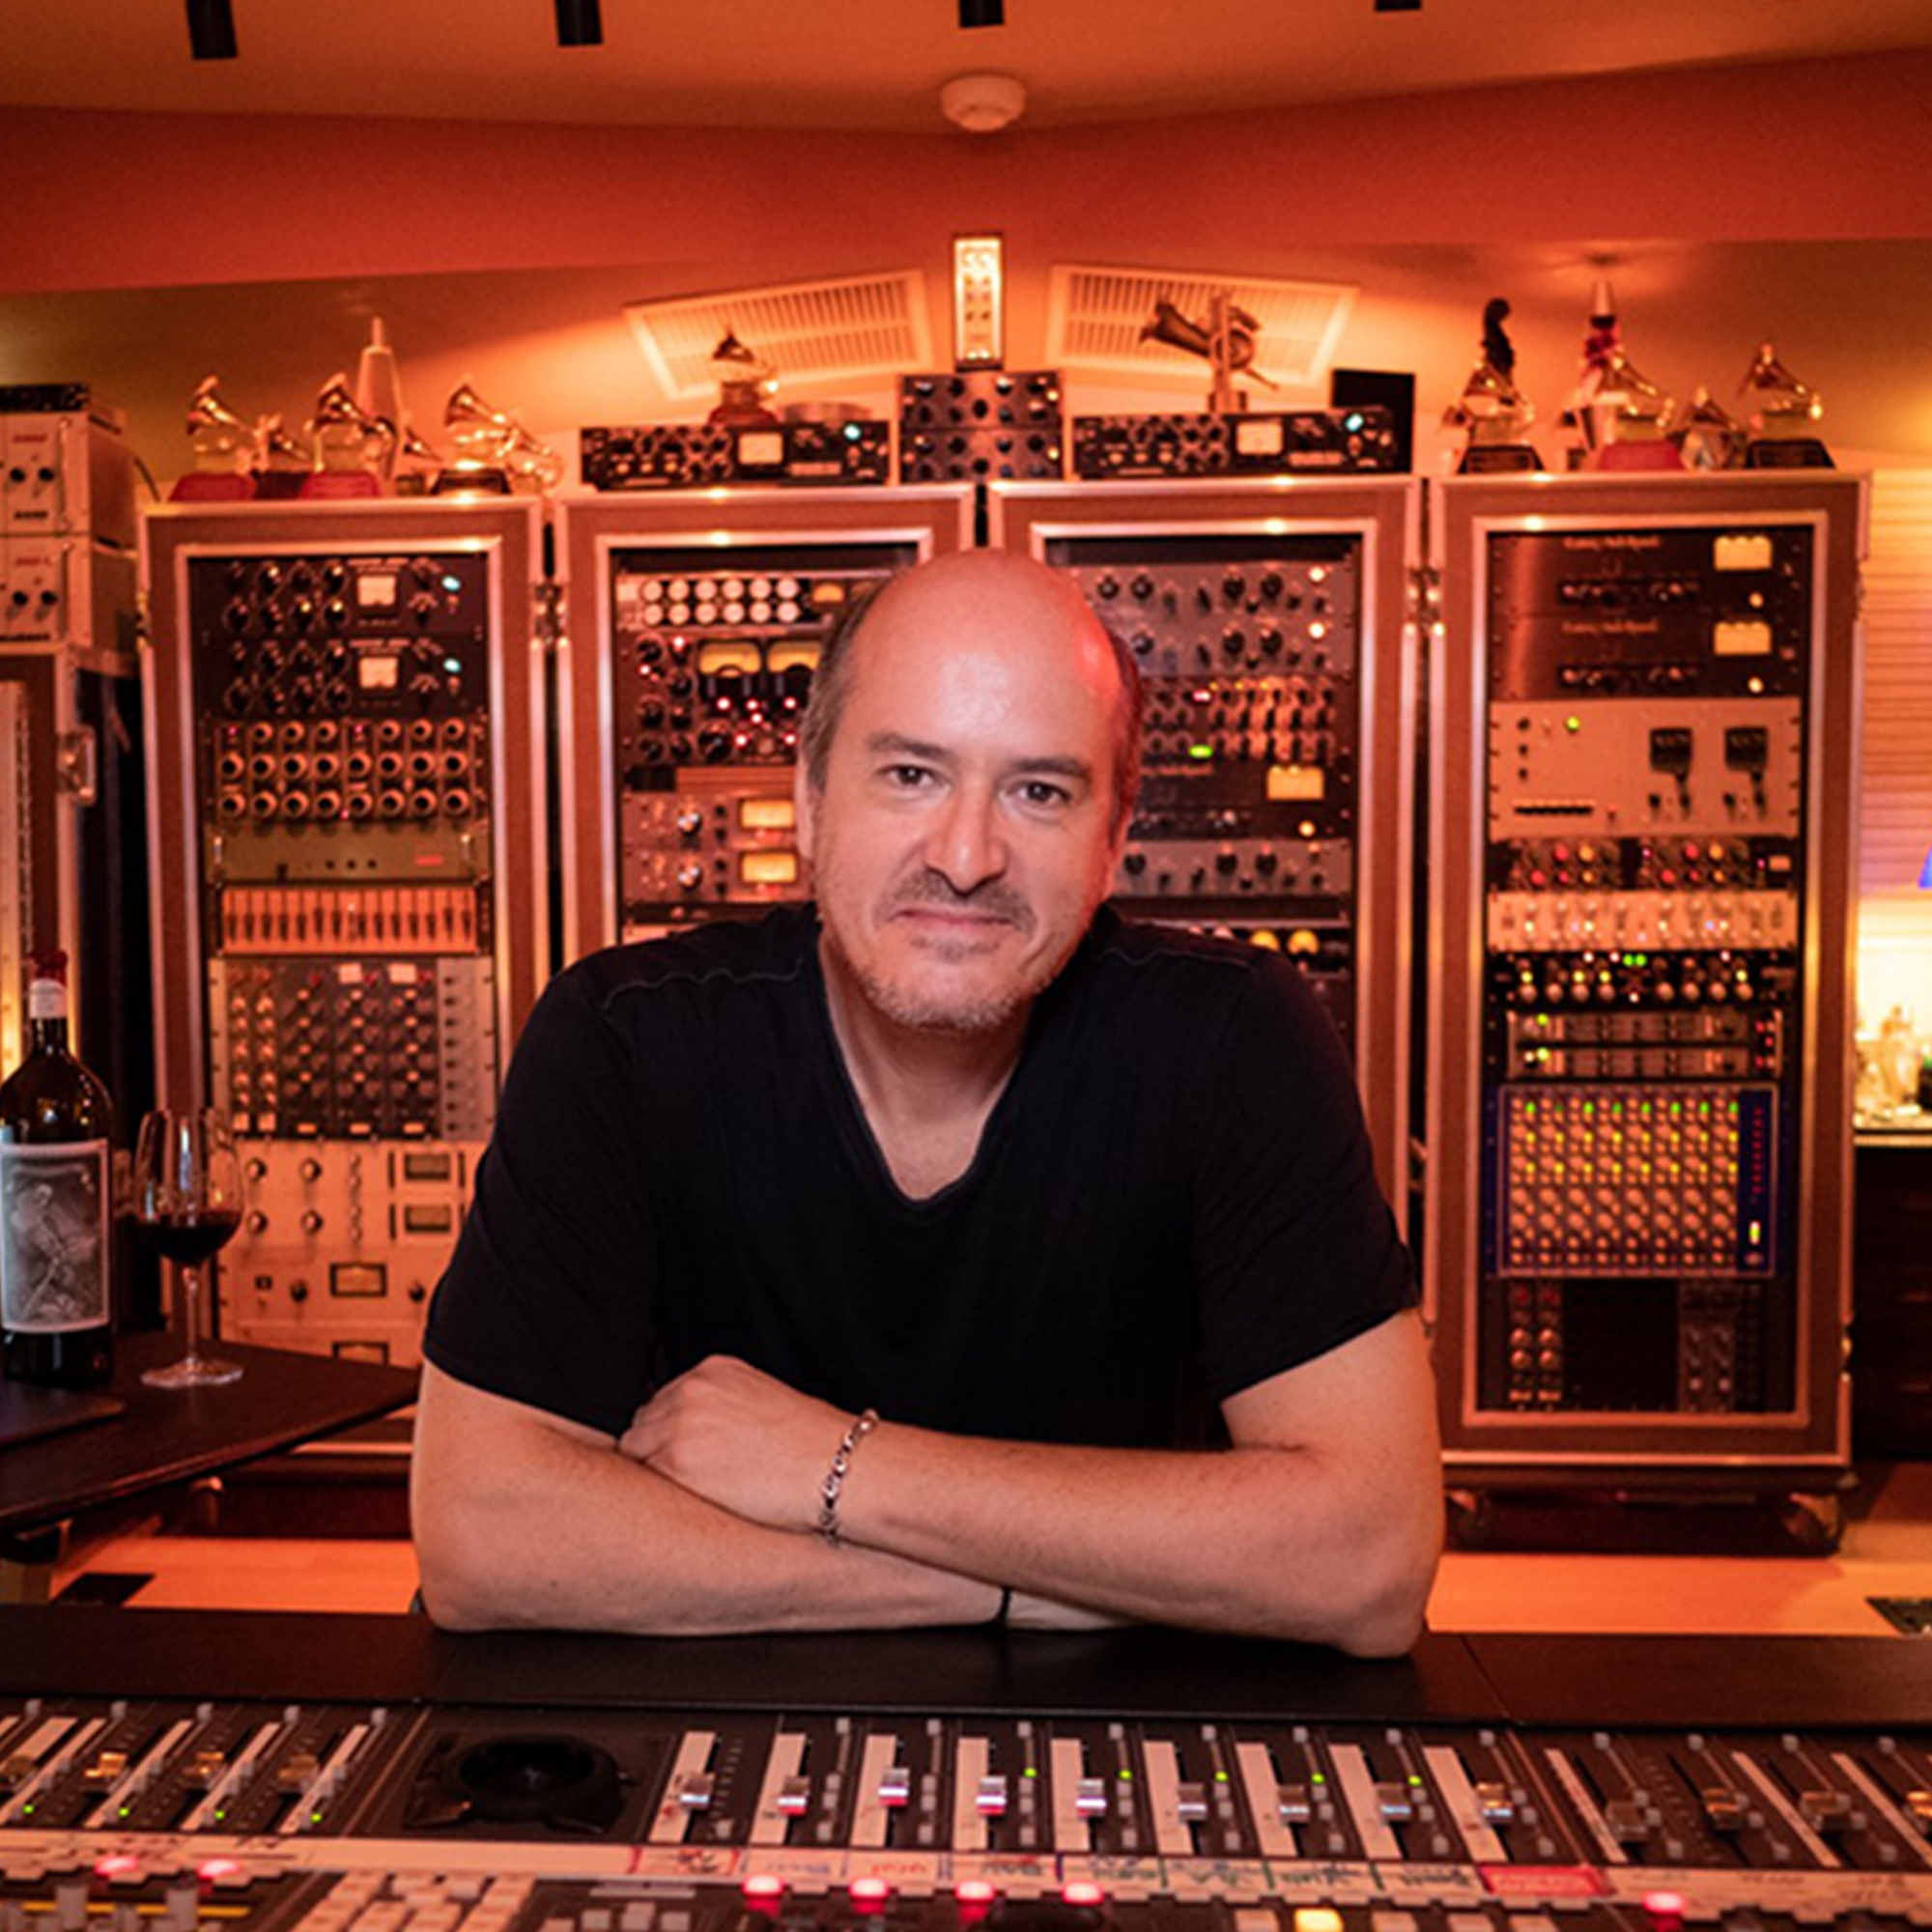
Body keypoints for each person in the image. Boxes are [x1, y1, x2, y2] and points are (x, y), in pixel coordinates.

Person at [412, 549, 1441, 1653]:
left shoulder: (1231, 1035)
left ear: (1112, 841)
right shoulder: (621, 1037)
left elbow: (1366, 1560)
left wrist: (834, 1463)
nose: (964, 856)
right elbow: (483, 1537)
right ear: (809, 801)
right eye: (910, 774)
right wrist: (1007, 1586)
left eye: (1038, 791)